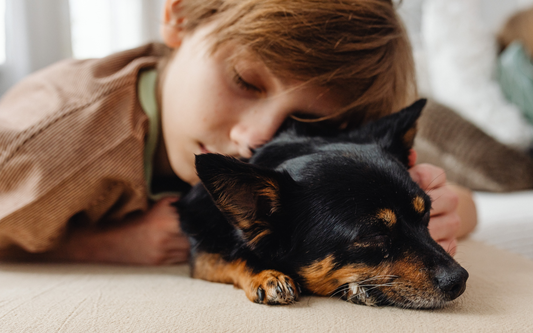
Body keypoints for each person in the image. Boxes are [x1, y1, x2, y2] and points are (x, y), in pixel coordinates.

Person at [0, 0, 477, 265]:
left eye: (305, 122)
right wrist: (100, 246)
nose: (257, 137)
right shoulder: (52, 150)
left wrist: (438, 209)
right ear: (180, 15)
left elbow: (465, 199)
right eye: (245, 81)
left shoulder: (314, 147)